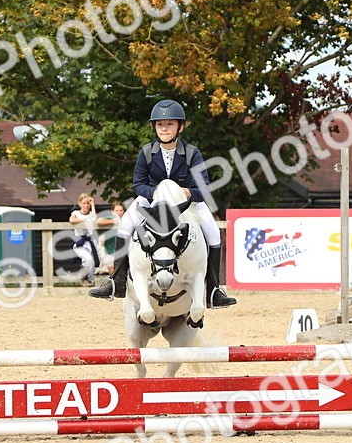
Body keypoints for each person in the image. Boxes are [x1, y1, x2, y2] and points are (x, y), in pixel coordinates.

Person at [89, 99, 236, 307]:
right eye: (160, 124)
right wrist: (156, 192)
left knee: (212, 230)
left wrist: (186, 192)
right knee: (125, 225)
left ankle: (213, 289)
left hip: (186, 203)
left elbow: (203, 188)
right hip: (152, 201)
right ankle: (117, 282)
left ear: (180, 127)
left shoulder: (192, 153)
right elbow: (138, 184)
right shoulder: (147, 152)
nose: (164, 128)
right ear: (154, 127)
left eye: (169, 124)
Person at [69, 193, 100, 283]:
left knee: (93, 262)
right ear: (79, 204)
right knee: (88, 259)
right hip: (80, 241)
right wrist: (84, 221)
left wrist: (93, 204)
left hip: (90, 241)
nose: (86, 205)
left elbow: (94, 220)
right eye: (84, 203)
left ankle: (90, 280)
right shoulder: (75, 213)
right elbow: (72, 220)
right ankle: (83, 276)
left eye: (88, 203)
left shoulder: (91, 214)